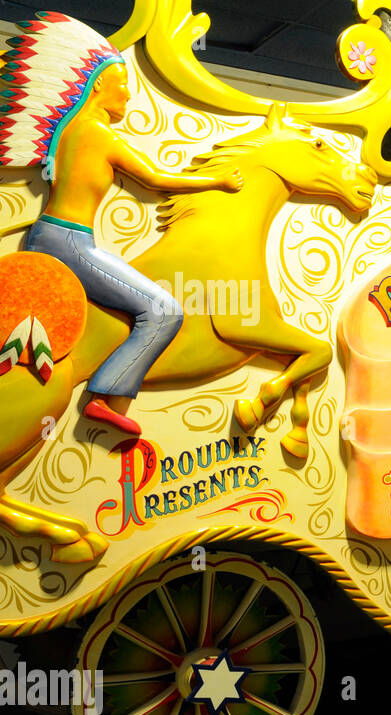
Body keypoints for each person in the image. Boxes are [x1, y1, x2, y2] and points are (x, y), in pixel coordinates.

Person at [1, 13, 241, 436]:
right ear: (98, 86)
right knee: (163, 311)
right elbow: (155, 178)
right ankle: (107, 396)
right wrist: (217, 180)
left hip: (57, 236)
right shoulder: (96, 132)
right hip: (68, 243)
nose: (129, 96)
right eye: (123, 84)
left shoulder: (75, 130)